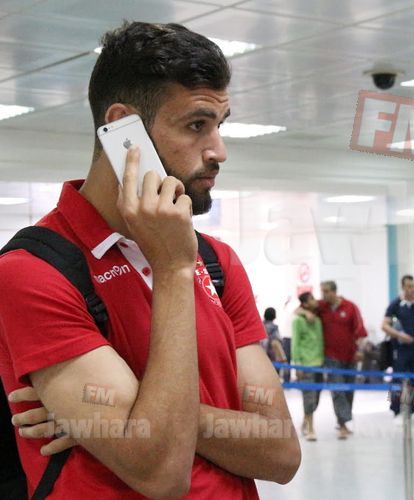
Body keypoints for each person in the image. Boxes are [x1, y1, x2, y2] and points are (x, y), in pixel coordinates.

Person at [0, 21, 300, 498]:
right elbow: (160, 471)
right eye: (197, 125)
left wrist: (131, 415)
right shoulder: (31, 272)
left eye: (220, 125)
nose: (219, 150)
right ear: (124, 130)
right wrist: (173, 269)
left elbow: (281, 453)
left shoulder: (217, 262)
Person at [317, 280, 368, 440]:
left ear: (334, 291)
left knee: (348, 390)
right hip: (331, 356)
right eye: (322, 291)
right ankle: (343, 424)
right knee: (337, 390)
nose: (323, 295)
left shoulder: (350, 307)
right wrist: (306, 313)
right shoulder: (321, 307)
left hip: (350, 356)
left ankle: (343, 420)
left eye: (326, 291)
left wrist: (359, 350)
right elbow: (300, 308)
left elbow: (360, 331)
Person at [382, 274, 414, 424]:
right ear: (403, 287)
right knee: (397, 380)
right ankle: (396, 411)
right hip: (400, 348)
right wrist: (400, 335)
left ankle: (413, 410)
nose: (411, 289)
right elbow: (384, 325)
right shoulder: (396, 304)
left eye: (413, 286)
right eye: (408, 286)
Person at [292, 292, 324, 442]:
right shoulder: (298, 321)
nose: (315, 300)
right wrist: (297, 365)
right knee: (308, 397)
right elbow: (295, 343)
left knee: (316, 398)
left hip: (320, 364)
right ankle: (311, 429)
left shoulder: (318, 319)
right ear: (304, 304)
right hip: (306, 364)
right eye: (311, 299)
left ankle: (304, 422)